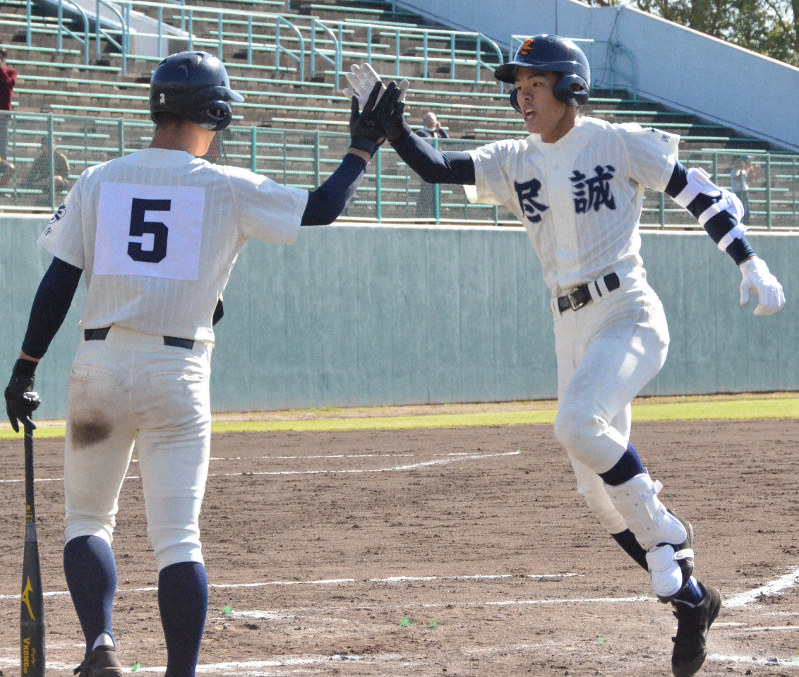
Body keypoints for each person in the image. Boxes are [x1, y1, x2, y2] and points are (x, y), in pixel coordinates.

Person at [347, 34, 785, 677]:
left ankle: (668, 535)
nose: (522, 95)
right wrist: (396, 130)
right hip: (569, 327)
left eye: (535, 83)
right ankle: (692, 602)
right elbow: (439, 169)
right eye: (517, 85)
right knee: (597, 494)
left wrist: (749, 259)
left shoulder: (615, 140)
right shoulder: (513, 157)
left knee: (577, 425)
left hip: (627, 313)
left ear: (570, 88)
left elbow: (697, 193)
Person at [3, 50, 386, 677]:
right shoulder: (223, 185)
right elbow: (321, 207)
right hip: (176, 373)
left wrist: (24, 367)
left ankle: (101, 644)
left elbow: (58, 281)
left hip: (98, 365)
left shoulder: (100, 177)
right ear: (216, 111)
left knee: (87, 520)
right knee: (177, 538)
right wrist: (362, 148)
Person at [414, 112, 450, 217]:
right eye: (428, 120)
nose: (431, 123)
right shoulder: (421, 133)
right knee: (426, 194)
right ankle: (421, 216)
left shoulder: (437, 133)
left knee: (437, 194)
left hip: (438, 167)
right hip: (427, 167)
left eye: (433, 120)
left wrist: (441, 130)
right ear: (424, 122)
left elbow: (448, 141)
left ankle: (435, 216)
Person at [730, 154, 760, 224]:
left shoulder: (743, 170)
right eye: (738, 161)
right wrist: (743, 169)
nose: (741, 162)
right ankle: (740, 223)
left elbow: (750, 179)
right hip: (738, 192)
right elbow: (737, 179)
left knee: (747, 210)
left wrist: (755, 171)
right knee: (742, 209)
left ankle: (746, 224)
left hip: (744, 192)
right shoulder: (734, 171)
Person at [0, 46, 16, 169]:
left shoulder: (11, 72)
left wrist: (1, 68)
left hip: (3, 114)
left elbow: (7, 83)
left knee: (2, 145)